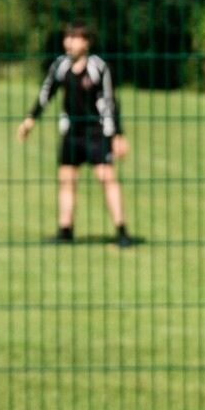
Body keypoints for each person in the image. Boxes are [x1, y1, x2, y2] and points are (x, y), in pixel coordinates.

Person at [16, 21, 134, 247]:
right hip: (71, 133)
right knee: (66, 180)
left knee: (107, 179)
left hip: (97, 133)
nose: (68, 42)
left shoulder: (99, 67)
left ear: (86, 42)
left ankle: (122, 232)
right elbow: (46, 94)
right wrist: (30, 119)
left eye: (75, 37)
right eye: (67, 37)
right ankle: (65, 230)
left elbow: (111, 102)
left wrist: (118, 135)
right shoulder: (60, 66)